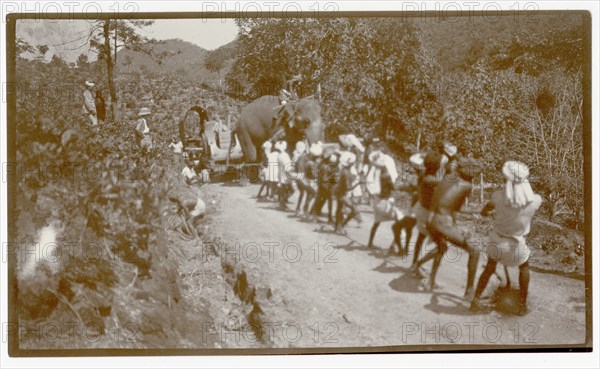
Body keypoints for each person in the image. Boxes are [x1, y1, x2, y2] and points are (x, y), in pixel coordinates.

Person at [470, 161, 542, 315]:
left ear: (506, 180)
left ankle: (475, 300)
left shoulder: (496, 197)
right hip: (516, 245)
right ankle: (522, 305)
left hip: (497, 242)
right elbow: (523, 199)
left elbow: (485, 210)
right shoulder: (536, 201)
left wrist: (489, 213)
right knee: (524, 267)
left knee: (490, 267)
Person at [411, 157, 483, 298]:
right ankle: (469, 292)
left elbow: (441, 203)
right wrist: (457, 228)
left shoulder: (448, 177)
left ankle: (428, 277)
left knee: (442, 247)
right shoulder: (467, 186)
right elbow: (454, 210)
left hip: (431, 221)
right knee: (475, 251)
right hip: (442, 223)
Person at [366, 150, 411, 254]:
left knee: (376, 222)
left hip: (377, 200)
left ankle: (370, 242)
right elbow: (392, 187)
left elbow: (371, 185)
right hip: (386, 201)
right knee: (399, 222)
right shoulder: (386, 174)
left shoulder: (375, 170)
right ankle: (395, 246)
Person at [408, 151, 442, 268]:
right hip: (428, 215)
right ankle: (418, 265)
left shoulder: (422, 174)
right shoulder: (432, 181)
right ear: (437, 167)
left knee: (420, 238)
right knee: (441, 246)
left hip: (421, 210)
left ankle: (414, 263)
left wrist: (424, 157)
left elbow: (413, 160)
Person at [333, 152, 361, 234]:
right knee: (354, 210)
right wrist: (358, 183)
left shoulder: (343, 169)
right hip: (342, 194)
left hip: (339, 192)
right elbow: (349, 188)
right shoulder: (346, 172)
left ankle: (337, 227)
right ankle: (342, 226)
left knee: (339, 209)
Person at [311, 148, 339, 223]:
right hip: (325, 184)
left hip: (326, 183)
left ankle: (316, 214)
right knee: (325, 199)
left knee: (322, 199)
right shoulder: (323, 163)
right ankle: (321, 215)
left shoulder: (323, 162)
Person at [276, 140, 294, 210]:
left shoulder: (279, 155)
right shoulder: (285, 155)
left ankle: (282, 202)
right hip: (286, 174)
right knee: (291, 190)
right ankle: (282, 202)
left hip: (281, 173)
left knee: (283, 189)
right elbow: (287, 167)